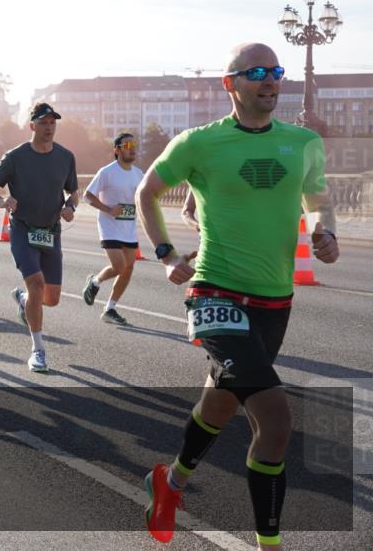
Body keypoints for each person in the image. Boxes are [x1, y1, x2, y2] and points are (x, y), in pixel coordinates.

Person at [136, 43, 339, 550]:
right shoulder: (199, 143)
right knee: (276, 420)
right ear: (230, 84)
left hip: (275, 299)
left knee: (222, 403)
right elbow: (147, 192)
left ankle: (171, 482)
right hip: (215, 291)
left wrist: (324, 230)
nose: (270, 81)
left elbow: (317, 198)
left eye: (276, 72)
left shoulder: (306, 142)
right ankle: (268, 545)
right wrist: (165, 254)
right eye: (257, 73)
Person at [0, 102, 79, 373]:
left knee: (52, 298)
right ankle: (38, 351)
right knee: (37, 285)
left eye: (52, 123)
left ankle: (25, 301)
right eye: (43, 123)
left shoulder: (65, 157)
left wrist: (70, 207)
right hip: (23, 228)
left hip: (51, 231)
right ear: (32, 126)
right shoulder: (16, 157)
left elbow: (74, 192)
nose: (49, 127)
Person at [81, 133, 144, 325]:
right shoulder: (107, 172)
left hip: (128, 227)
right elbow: (87, 196)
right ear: (117, 149)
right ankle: (94, 282)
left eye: (134, 144)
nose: (132, 148)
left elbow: (143, 198)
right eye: (127, 145)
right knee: (118, 266)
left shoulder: (139, 173)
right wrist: (108, 209)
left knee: (129, 268)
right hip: (109, 225)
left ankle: (110, 308)